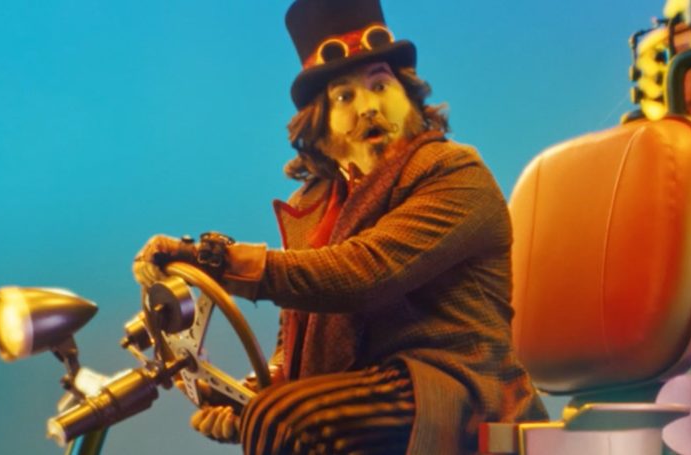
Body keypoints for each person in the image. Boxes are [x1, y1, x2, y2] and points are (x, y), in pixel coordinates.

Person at [134, 0, 545, 453]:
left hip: (459, 388)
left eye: (380, 85)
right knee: (274, 412)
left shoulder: (452, 171)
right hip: (370, 391)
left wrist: (216, 261)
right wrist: (244, 396)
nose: (368, 108)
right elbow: (295, 342)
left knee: (288, 419)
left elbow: (364, 272)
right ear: (321, 125)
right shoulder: (315, 205)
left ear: (409, 98)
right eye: (344, 97)